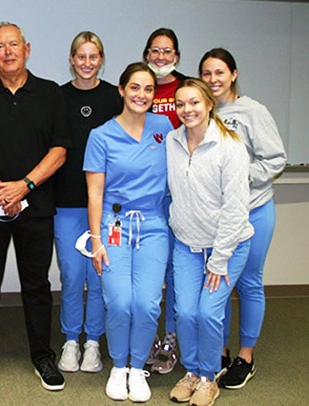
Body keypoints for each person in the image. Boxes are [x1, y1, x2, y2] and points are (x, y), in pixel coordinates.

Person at [0, 21, 69, 392]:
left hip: (35, 206)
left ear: (27, 48)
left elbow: (59, 150)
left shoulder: (50, 93)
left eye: (13, 44)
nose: (7, 51)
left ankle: (43, 356)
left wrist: (24, 186)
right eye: (0, 47)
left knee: (36, 284)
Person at [83, 62, 173, 402]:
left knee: (148, 304)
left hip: (152, 226)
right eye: (134, 87)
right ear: (121, 90)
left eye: (148, 89)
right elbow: (94, 192)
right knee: (119, 301)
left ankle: (138, 368)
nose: (141, 95)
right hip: (113, 226)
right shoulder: (101, 135)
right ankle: (118, 366)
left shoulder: (163, 127)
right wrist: (96, 240)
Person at [199, 48, 287, 390]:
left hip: (254, 211)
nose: (213, 80)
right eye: (206, 73)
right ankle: (220, 351)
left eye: (219, 73)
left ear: (233, 74)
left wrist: (237, 177)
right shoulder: (200, 111)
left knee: (249, 282)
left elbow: (275, 159)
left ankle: (245, 356)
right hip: (217, 218)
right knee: (217, 283)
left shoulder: (253, 111)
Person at [167, 78, 254, 406]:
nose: (187, 110)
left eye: (194, 103)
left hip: (227, 247)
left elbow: (235, 210)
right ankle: (191, 373)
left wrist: (218, 260)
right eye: (180, 104)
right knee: (186, 312)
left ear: (209, 105)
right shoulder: (172, 141)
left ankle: (208, 378)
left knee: (207, 312)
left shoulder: (230, 147)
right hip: (187, 244)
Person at [54, 31, 120, 375]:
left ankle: (93, 341)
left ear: (101, 59)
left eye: (93, 57)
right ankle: (70, 340)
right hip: (66, 203)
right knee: (70, 274)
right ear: (71, 59)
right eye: (81, 56)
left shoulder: (115, 97)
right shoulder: (57, 96)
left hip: (106, 206)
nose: (87, 63)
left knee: (98, 275)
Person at [142, 27, 189, 375]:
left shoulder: (186, 89)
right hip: (146, 192)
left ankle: (170, 338)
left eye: (167, 51)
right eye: (155, 51)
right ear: (146, 55)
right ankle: (145, 338)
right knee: (149, 269)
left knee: (175, 270)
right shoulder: (138, 86)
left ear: (176, 56)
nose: (161, 57)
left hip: (181, 192)